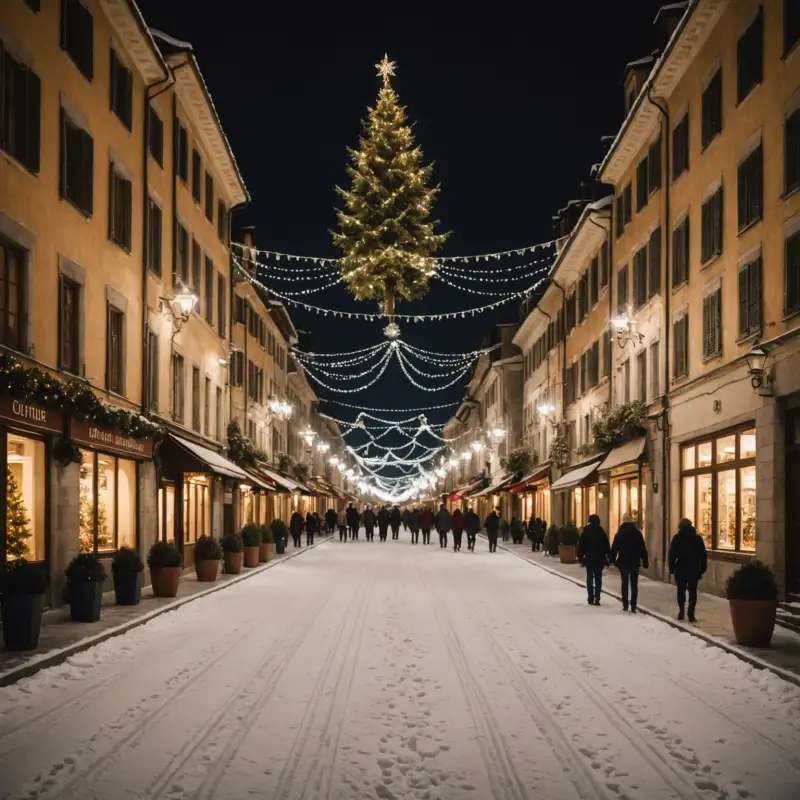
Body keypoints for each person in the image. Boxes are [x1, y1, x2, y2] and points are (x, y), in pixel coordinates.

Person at [669, 517, 708, 622]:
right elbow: (703, 555)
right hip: (693, 567)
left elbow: (672, 554)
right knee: (692, 591)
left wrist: (671, 567)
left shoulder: (677, 538)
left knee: (680, 590)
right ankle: (691, 612)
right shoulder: (697, 538)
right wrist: (703, 567)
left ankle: (681, 610)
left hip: (681, 567)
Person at [611, 514, 649, 613]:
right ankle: (633, 605)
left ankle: (625, 604)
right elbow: (642, 548)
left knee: (624, 583)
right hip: (634, 561)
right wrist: (645, 560)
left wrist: (612, 559)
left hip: (623, 561)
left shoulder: (619, 533)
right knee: (634, 583)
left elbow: (614, 547)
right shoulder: (637, 533)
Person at [578, 514, 611, 606]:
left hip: (589, 558)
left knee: (589, 578)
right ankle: (597, 597)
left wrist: (580, 557)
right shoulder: (601, 531)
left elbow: (581, 544)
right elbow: (606, 545)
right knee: (598, 578)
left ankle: (590, 597)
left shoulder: (586, 531)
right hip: (599, 558)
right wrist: (609, 557)